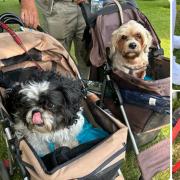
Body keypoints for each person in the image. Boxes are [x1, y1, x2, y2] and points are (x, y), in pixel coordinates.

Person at [20, 0, 137, 79]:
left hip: (90, 6)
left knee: (90, 58)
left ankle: (84, 100)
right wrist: (27, 2)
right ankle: (56, 101)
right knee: (52, 60)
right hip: (54, 8)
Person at [20, 0, 89, 79]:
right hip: (54, 7)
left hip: (88, 6)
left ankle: (85, 88)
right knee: (55, 61)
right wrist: (27, 2)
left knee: (88, 59)